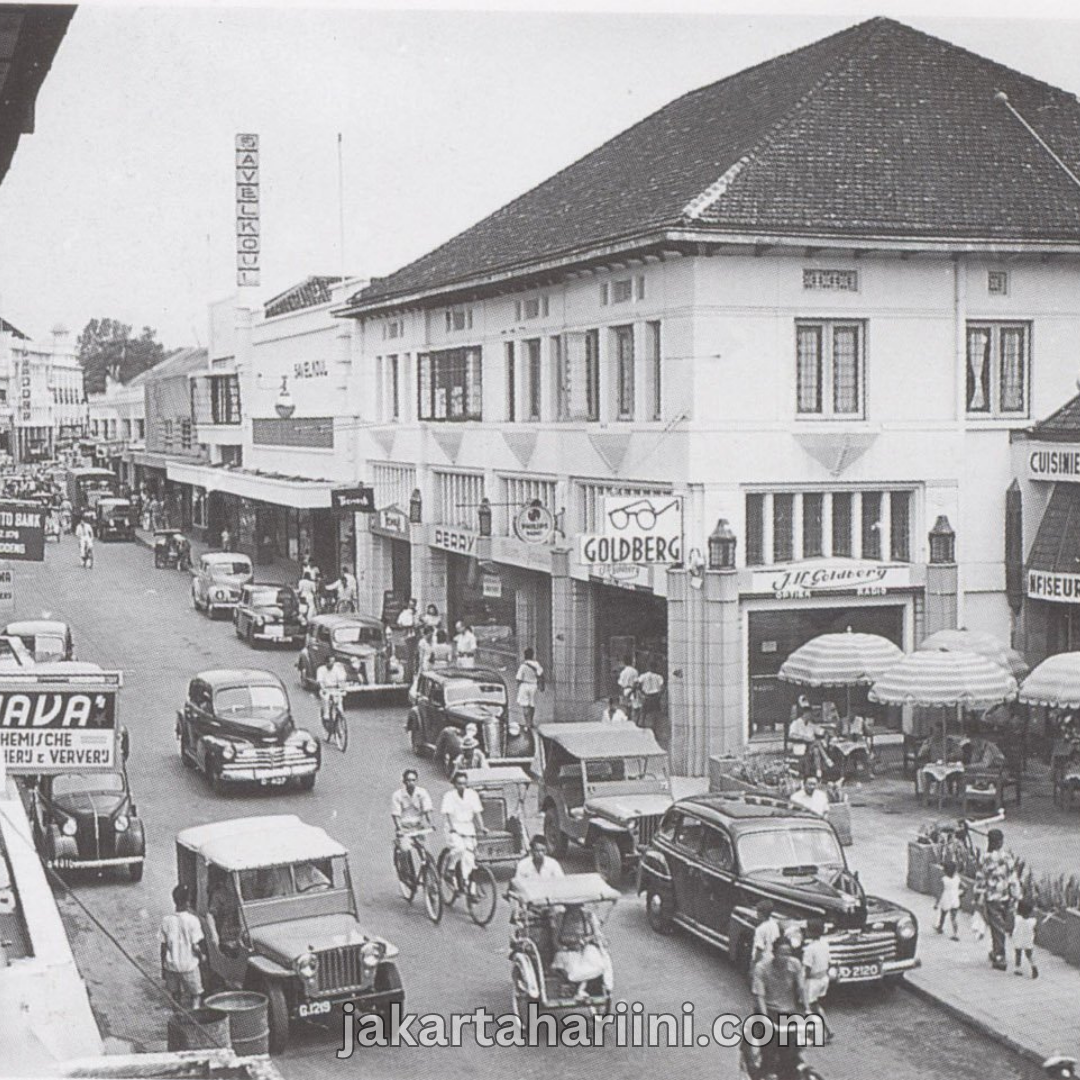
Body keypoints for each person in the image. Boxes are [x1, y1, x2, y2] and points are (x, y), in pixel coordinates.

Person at [752, 935, 809, 1080]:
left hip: (787, 1013)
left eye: (788, 954)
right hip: (768, 1011)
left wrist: (808, 1010)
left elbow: (802, 989)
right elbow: (760, 996)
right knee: (769, 1055)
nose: (785, 958)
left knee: (791, 1054)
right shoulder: (762, 968)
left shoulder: (795, 964)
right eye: (782, 954)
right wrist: (765, 1019)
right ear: (774, 953)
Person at [974, 827, 1021, 971]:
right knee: (1001, 926)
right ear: (1000, 842)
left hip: (992, 897)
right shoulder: (1007, 857)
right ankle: (996, 951)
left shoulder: (984, 858)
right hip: (1006, 896)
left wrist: (977, 897)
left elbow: (981, 878)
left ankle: (1000, 955)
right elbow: (1013, 877)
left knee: (997, 927)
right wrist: (1016, 895)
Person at [159, 884, 206, 1009]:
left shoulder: (166, 920)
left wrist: (163, 968)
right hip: (189, 966)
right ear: (188, 902)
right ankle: (195, 1014)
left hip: (171, 966)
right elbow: (195, 947)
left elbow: (163, 948)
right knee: (196, 995)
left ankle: (178, 1016)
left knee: (175, 995)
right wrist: (202, 957)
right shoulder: (193, 920)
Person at [440, 771, 488, 893]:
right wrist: (452, 828)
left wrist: (482, 827)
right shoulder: (449, 796)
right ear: (454, 784)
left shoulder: (472, 795)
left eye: (464, 784)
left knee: (470, 857)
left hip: (468, 827)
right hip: (454, 827)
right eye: (459, 783)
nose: (462, 786)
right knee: (459, 848)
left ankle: (467, 884)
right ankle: (449, 870)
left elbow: (477, 812)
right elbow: (448, 814)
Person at [802, 917, 833, 1043]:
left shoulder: (809, 949)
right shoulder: (825, 944)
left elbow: (807, 969)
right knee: (817, 1006)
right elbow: (829, 962)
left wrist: (803, 981)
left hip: (813, 981)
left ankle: (812, 1034)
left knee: (808, 1008)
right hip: (824, 978)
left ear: (811, 932)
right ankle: (828, 1029)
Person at [316, 650, 349, 733]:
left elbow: (340, 680)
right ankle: (326, 714)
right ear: (326, 663)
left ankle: (340, 713)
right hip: (326, 688)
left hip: (335, 689)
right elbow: (320, 682)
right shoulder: (321, 670)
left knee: (339, 699)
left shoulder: (337, 669)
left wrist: (342, 688)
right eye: (330, 662)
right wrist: (323, 688)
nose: (332, 664)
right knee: (326, 698)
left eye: (333, 662)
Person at [1011, 897, 1039, 979]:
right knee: (1029, 954)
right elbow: (1036, 929)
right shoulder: (1032, 921)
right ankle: (1034, 966)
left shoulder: (1017, 918)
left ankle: (1018, 968)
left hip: (1018, 938)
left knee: (1018, 953)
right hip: (1028, 939)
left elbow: (1013, 913)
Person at [516, 648, 544, 728]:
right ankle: (531, 721)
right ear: (532, 655)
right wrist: (541, 685)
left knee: (525, 705)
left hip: (524, 685)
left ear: (525, 655)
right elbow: (540, 674)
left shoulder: (523, 666)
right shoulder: (536, 664)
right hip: (533, 685)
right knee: (532, 704)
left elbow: (518, 678)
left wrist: (518, 686)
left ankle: (526, 722)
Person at [935, 858, 962, 940]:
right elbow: (965, 887)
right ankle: (955, 934)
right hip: (955, 899)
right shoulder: (957, 879)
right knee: (953, 918)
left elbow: (940, 892)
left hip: (946, 899)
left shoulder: (944, 880)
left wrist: (936, 903)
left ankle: (940, 928)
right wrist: (960, 893)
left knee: (943, 915)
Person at [752, 898, 782, 967]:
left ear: (761, 913)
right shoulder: (774, 924)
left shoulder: (760, 929)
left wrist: (754, 963)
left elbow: (759, 948)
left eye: (757, 911)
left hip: (762, 962)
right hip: (772, 960)